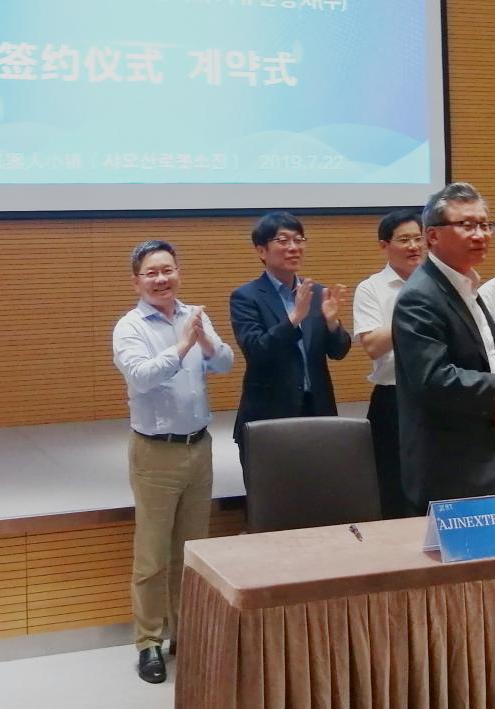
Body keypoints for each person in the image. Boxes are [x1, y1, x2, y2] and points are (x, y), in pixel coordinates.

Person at [112, 240, 235, 684]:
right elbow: (141, 377)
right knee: (152, 556)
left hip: (199, 448)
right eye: (152, 273)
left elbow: (226, 363)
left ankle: (189, 634)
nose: (161, 279)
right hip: (155, 453)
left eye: (168, 270)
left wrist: (205, 341)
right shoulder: (129, 327)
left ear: (178, 272)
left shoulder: (194, 315)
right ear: (137, 281)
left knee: (192, 551)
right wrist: (183, 346)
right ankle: (148, 641)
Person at [392, 182, 495, 514]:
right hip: (451, 463)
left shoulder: (464, 281)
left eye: (485, 225)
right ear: (432, 236)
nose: (480, 235)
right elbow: (433, 378)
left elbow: (465, 337)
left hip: (489, 450)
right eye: (467, 225)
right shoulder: (420, 296)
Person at [230, 212, 351, 470]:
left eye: (299, 240)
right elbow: (257, 350)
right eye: (283, 241)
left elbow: (339, 351)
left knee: (322, 485)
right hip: (269, 414)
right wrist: (294, 318)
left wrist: (332, 323)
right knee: (272, 490)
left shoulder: (316, 292)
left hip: (317, 408)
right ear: (261, 250)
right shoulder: (246, 297)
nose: (294, 247)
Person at [352, 209, 426, 518]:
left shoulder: (439, 283)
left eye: (418, 238)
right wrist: (413, 311)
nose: (414, 246)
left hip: (436, 394)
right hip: (392, 399)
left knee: (435, 480)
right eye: (404, 240)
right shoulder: (371, 288)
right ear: (385, 245)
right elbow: (372, 345)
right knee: (393, 487)